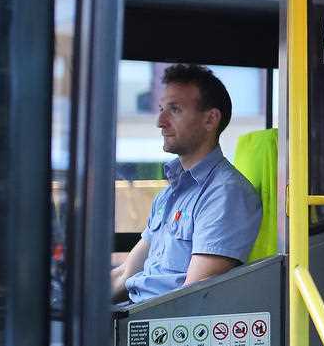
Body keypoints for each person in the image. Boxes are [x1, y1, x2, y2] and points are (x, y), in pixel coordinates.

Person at [111, 64, 262, 304]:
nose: (160, 121)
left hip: (158, 327)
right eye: (161, 109)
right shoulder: (169, 194)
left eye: (174, 110)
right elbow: (125, 274)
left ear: (211, 119)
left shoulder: (225, 193)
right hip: (132, 314)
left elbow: (190, 299)